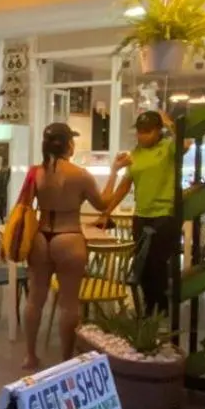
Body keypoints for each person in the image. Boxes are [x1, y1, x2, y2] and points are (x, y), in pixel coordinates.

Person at [21, 122, 112, 371]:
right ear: (69, 145)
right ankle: (65, 360)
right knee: (69, 303)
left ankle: (30, 356)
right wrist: (114, 173)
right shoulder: (80, 175)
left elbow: (24, 207)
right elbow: (104, 204)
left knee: (34, 300)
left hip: (41, 237)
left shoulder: (35, 172)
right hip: (69, 236)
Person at [102, 109, 180, 317]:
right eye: (139, 131)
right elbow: (125, 186)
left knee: (157, 264)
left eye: (147, 131)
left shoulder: (168, 148)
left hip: (164, 214)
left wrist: (169, 122)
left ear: (158, 131)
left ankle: (161, 310)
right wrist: (106, 212)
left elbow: (185, 142)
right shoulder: (135, 154)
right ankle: (147, 308)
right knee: (142, 266)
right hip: (141, 215)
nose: (142, 135)